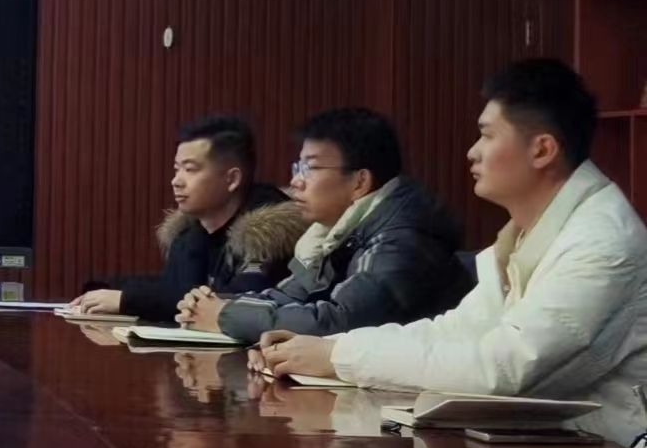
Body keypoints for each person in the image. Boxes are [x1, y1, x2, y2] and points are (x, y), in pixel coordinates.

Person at [256, 61, 647, 410]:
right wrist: (328, 348)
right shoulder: (524, 235)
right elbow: (455, 331)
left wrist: (338, 357)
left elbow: (505, 368)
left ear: (542, 150)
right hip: (540, 446)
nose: (472, 152)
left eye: (487, 136)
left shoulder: (601, 241)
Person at [180, 108, 472, 344]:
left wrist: (223, 315)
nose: (296, 181)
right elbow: (287, 297)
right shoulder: (332, 234)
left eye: (311, 168)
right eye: (298, 167)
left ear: (360, 181)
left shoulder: (402, 237)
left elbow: (340, 321)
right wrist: (213, 304)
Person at [67, 115, 303, 323]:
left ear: (231, 179)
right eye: (176, 169)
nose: (176, 181)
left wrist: (127, 300)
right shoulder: (191, 233)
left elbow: (233, 302)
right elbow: (176, 289)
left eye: (190, 170)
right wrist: (105, 290)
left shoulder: (270, 235)